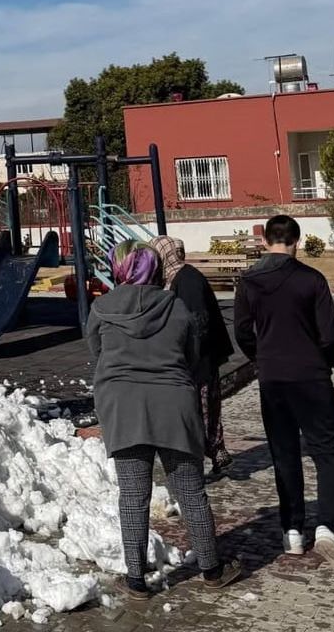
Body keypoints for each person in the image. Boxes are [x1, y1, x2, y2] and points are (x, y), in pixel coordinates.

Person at [88, 241, 241, 599]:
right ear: (154, 269)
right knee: (190, 491)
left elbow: (96, 351)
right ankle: (211, 569)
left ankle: (137, 579)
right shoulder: (177, 308)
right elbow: (192, 354)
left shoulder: (101, 308)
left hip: (123, 409)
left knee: (133, 496)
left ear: (119, 268)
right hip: (175, 407)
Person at [234, 215, 334, 577]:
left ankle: (292, 530)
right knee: (328, 453)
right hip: (311, 375)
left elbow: (242, 330)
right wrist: (324, 360)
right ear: (297, 242)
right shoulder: (311, 279)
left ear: (266, 240)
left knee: (284, 453)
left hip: (273, 378)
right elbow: (330, 332)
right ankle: (327, 527)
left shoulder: (250, 282)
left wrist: (262, 356)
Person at [148, 236, 236, 478]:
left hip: (198, 359)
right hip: (193, 358)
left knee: (201, 410)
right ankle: (213, 454)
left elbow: (198, 322)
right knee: (201, 409)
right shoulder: (173, 276)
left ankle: (204, 459)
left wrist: (188, 356)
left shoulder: (187, 278)